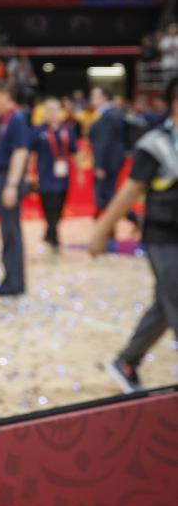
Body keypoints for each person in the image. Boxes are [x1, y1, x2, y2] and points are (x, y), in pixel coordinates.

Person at [89, 76, 178, 393]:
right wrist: (101, 232)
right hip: (162, 238)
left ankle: (127, 362)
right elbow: (128, 192)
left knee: (164, 305)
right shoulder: (154, 145)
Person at [0, 80, 29, 295]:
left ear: (4, 95)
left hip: (7, 179)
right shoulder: (6, 119)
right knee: (7, 231)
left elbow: (21, 152)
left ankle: (15, 283)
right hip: (0, 178)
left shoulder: (17, 118)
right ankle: (10, 279)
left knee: (11, 232)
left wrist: (11, 184)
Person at [29, 97, 79, 252]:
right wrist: (30, 173)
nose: (52, 113)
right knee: (48, 205)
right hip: (44, 175)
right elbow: (32, 154)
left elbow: (74, 151)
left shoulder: (67, 130)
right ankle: (54, 235)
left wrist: (80, 171)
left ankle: (50, 232)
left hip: (62, 176)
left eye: (55, 109)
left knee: (59, 205)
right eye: (49, 110)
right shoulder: (38, 131)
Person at [89, 86, 127, 215]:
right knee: (106, 195)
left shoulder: (109, 115)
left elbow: (103, 142)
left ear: (104, 97)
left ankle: (130, 217)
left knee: (105, 195)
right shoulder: (111, 113)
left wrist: (100, 165)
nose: (92, 99)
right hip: (111, 162)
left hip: (107, 163)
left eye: (94, 96)